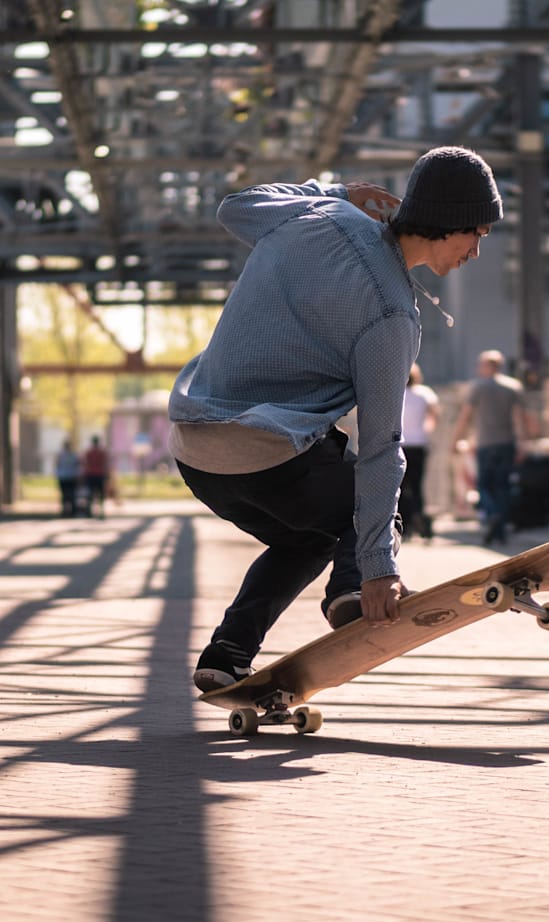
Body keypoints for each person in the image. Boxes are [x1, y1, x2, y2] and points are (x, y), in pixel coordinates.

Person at [169, 145, 503, 692]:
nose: (476, 252)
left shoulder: (320, 214)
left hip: (195, 452)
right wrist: (377, 566)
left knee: (308, 537)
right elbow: (379, 447)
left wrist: (338, 192)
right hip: (268, 453)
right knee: (366, 512)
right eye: (478, 235)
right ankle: (353, 594)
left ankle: (228, 652)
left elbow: (235, 207)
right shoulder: (392, 316)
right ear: (451, 222)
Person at [451, 349, 538, 545]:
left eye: (480, 364)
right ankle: (500, 527)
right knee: (503, 486)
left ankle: (491, 515)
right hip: (507, 442)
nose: (478, 368)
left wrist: (456, 439)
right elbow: (521, 417)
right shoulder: (513, 387)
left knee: (484, 485)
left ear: (488, 366)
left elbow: (465, 416)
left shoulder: (478, 387)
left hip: (485, 443)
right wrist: (524, 442)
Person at [399, 363, 440, 540]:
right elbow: (435, 413)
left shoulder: (397, 393)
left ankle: (405, 526)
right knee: (417, 486)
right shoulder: (425, 393)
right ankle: (422, 525)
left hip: (400, 444)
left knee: (401, 486)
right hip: (419, 444)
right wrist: (428, 427)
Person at [82, 434, 111, 518]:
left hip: (91, 475)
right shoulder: (102, 452)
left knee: (91, 493)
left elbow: (86, 464)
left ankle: (90, 511)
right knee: (101, 494)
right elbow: (105, 464)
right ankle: (101, 511)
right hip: (100, 474)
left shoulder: (89, 452)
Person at [54, 439, 80, 517]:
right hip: (71, 476)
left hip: (63, 476)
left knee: (65, 495)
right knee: (71, 494)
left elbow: (57, 465)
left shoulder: (60, 455)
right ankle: (72, 511)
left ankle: (65, 511)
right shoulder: (73, 455)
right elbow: (77, 465)